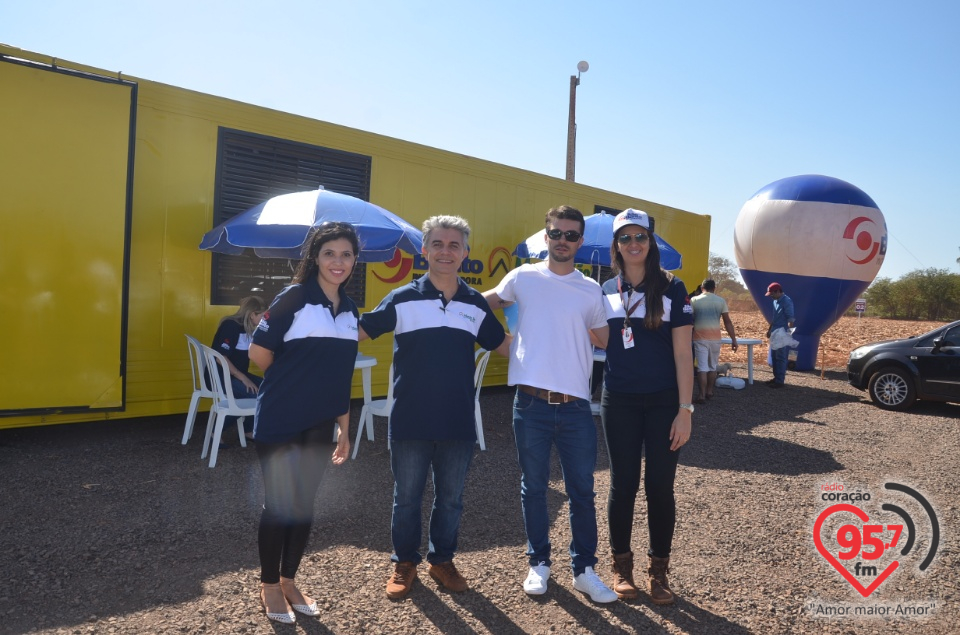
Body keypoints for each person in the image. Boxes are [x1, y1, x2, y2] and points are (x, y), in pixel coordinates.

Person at [359, 215, 510, 600]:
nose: (446, 251)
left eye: (454, 245)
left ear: (465, 253)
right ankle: (404, 562)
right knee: (406, 497)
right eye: (438, 244)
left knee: (451, 499)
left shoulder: (475, 303)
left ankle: (441, 559)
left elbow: (506, 346)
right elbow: (358, 331)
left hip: (457, 419)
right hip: (410, 417)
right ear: (424, 251)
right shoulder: (403, 297)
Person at [483, 205, 618, 604]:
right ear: (546, 236)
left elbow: (606, 341)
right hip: (530, 404)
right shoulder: (522, 277)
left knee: (582, 491)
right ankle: (538, 563)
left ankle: (584, 570)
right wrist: (504, 344)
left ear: (580, 241)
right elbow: (478, 305)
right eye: (556, 233)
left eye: (571, 235)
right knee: (534, 488)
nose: (562, 240)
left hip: (576, 406)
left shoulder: (592, 290)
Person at [247, 222, 358, 624]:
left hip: (321, 422)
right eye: (329, 253)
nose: (337, 262)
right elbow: (259, 352)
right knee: (278, 505)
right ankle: (270, 585)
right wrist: (292, 384)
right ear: (315, 257)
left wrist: (345, 428)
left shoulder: (349, 309)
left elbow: (340, 377)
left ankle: (289, 579)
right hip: (281, 418)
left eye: (346, 254)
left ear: (354, 261)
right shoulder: (294, 297)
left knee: (304, 504)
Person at [598, 208, 694, 605]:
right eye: (626, 237)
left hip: (663, 403)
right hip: (617, 400)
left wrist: (685, 409)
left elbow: (683, 353)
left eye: (641, 236)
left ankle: (659, 573)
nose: (634, 244)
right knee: (622, 486)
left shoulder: (673, 288)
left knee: (659, 487)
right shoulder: (603, 289)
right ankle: (622, 568)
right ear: (616, 246)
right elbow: (599, 338)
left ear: (651, 242)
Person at [210, 295, 266, 440]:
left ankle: (248, 431)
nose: (265, 319)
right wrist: (243, 378)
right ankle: (214, 433)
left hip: (235, 375)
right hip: (221, 376)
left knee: (268, 389)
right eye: (263, 315)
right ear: (252, 314)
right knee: (255, 396)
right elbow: (220, 357)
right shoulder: (231, 326)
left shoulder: (249, 329)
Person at [690, 279, 738, 403]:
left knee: (702, 368)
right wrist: (733, 339)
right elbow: (727, 322)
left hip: (700, 338)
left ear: (702, 288)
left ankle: (701, 395)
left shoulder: (694, 300)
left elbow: (689, 320)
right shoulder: (720, 301)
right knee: (712, 366)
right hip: (716, 338)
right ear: (714, 288)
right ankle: (709, 392)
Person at [764, 282, 795, 388]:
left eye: (772, 294)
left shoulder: (787, 301)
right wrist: (769, 330)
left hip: (782, 333)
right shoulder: (775, 301)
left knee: (780, 357)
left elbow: (791, 319)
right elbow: (774, 318)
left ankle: (780, 381)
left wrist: (789, 334)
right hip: (774, 332)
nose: (771, 296)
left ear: (778, 291)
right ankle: (776, 377)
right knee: (774, 356)